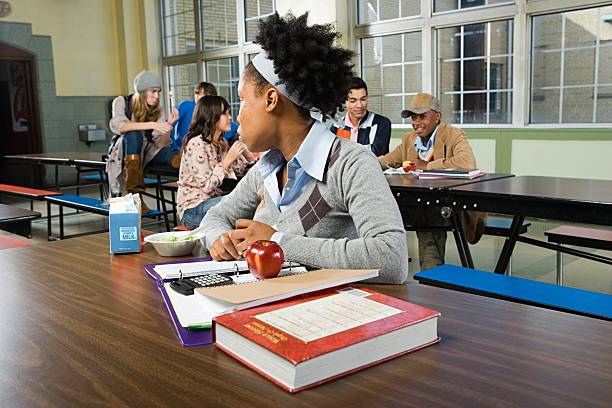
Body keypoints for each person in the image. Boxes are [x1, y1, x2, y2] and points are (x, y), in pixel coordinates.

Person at [199, 12, 408, 284]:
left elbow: (391, 257)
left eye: (242, 101)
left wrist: (277, 241)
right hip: (265, 305)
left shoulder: (351, 163)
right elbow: (215, 216)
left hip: (326, 316)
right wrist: (219, 239)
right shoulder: (267, 167)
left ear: (271, 100)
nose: (238, 116)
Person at [378, 92, 485, 270]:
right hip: (416, 203)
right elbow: (386, 160)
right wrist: (358, 164)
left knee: (428, 214)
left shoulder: (453, 134)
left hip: (449, 206)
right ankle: (382, 272)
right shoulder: (410, 139)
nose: (416, 122)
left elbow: (467, 163)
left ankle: (430, 277)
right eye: (413, 117)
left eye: (422, 116)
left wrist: (427, 165)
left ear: (437, 116)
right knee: (380, 211)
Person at [107, 70, 181, 212]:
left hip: (148, 151)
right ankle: (135, 196)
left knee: (173, 155)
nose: (156, 96)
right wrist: (153, 125)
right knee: (134, 134)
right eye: (153, 91)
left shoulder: (157, 110)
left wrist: (168, 126)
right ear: (141, 91)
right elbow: (119, 126)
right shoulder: (121, 102)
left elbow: (160, 144)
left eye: (158, 92)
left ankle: (190, 173)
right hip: (125, 150)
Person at [177, 95, 254, 229]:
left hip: (211, 203)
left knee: (244, 201)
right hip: (192, 210)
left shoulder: (221, 143)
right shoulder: (195, 144)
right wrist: (228, 158)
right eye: (225, 113)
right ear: (211, 117)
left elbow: (237, 171)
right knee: (240, 203)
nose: (230, 117)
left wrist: (244, 152)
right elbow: (207, 186)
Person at [329, 77, 391, 156]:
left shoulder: (382, 124)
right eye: (353, 101)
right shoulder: (336, 126)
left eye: (363, 99)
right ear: (344, 101)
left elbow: (376, 157)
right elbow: (331, 156)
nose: (359, 105)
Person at [172, 82, 239, 150]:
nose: (199, 96)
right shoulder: (186, 106)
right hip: (185, 147)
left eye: (203, 94)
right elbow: (171, 125)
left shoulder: (222, 140)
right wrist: (175, 147)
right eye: (197, 93)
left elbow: (231, 126)